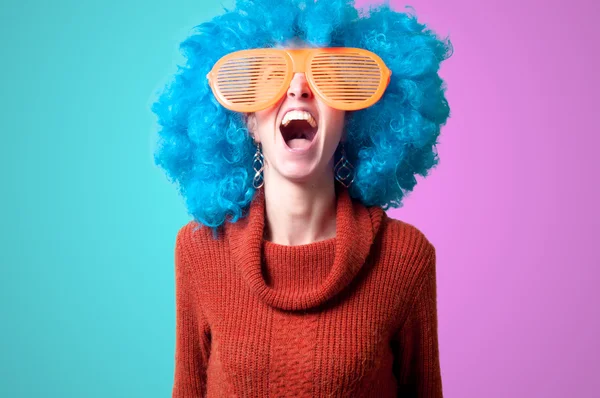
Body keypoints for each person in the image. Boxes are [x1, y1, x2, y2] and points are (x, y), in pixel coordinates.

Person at [151, 0, 452, 396]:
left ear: (351, 119)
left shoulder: (405, 258)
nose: (298, 88)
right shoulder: (199, 251)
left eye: (326, 76)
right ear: (248, 122)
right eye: (270, 76)